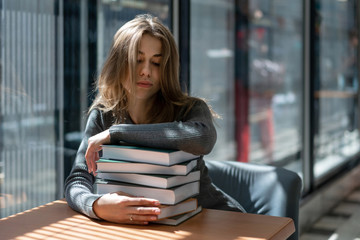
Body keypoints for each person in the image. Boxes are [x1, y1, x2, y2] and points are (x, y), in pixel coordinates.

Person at [64, 14, 245, 225]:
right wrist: (97, 206)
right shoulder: (103, 116)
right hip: (151, 229)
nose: (146, 71)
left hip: (217, 221)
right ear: (118, 62)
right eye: (137, 60)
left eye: (157, 63)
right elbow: (77, 181)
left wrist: (117, 133)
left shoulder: (190, 110)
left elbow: (203, 138)